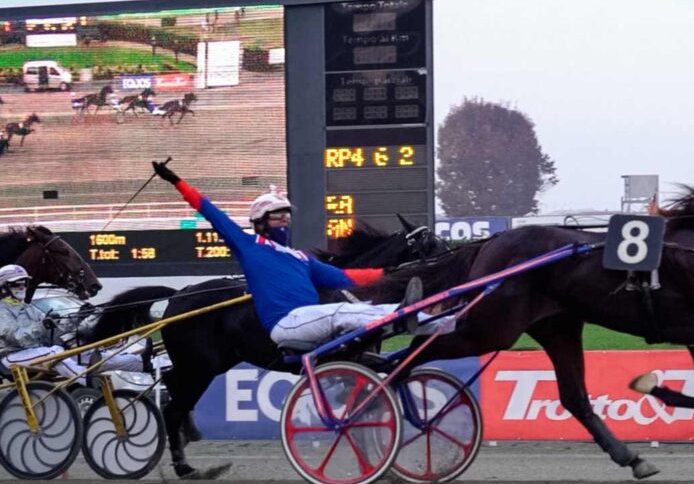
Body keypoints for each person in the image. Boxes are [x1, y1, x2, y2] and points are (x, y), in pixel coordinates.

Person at [151, 161, 439, 350]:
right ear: (261, 222)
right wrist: (176, 181)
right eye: (278, 217)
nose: (285, 222)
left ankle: (443, 321)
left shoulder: (299, 258)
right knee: (342, 311)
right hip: (286, 324)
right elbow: (211, 212)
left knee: (357, 308)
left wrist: (389, 274)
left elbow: (344, 277)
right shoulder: (248, 246)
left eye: (287, 217)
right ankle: (404, 313)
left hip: (309, 320)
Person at [0, 264, 150, 379]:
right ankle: (85, 379)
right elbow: (17, 337)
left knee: (84, 354)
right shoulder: (2, 310)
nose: (22, 287)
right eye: (16, 284)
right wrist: (42, 325)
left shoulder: (29, 308)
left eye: (24, 283)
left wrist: (77, 317)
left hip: (34, 354)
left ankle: (139, 363)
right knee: (55, 352)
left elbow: (54, 335)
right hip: (11, 358)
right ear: (4, 287)